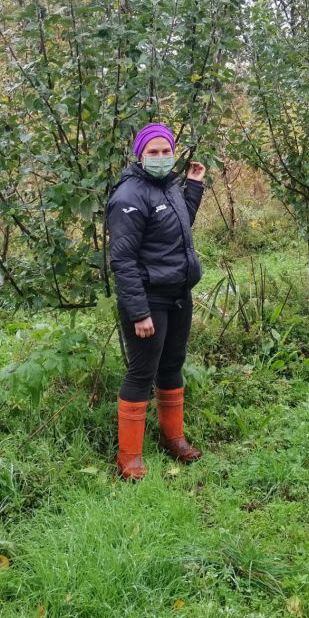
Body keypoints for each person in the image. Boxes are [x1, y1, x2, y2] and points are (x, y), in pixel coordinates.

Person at [106, 122, 206, 481]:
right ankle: (129, 457)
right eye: (154, 152)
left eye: (166, 151)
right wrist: (139, 312)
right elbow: (123, 260)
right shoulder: (128, 197)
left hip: (178, 294)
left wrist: (193, 186)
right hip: (149, 299)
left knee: (172, 364)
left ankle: (172, 438)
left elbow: (179, 226)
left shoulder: (170, 187)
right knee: (141, 372)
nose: (161, 157)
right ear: (140, 155)